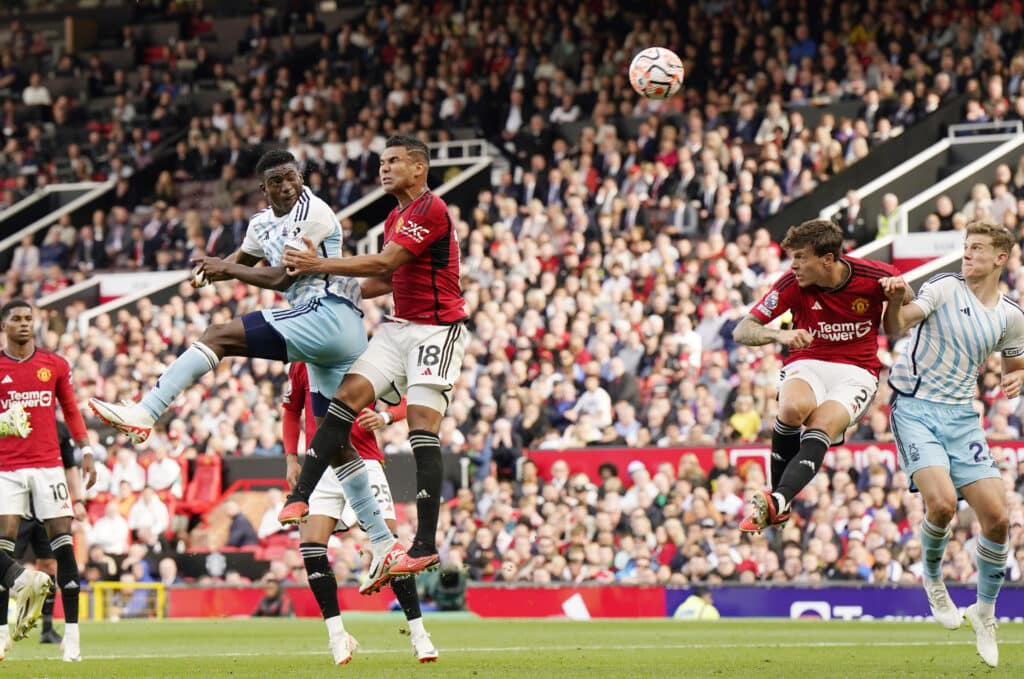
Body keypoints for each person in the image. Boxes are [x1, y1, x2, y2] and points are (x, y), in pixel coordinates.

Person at [87, 150, 405, 585]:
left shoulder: (314, 212)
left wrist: (227, 268)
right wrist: (209, 271)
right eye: (277, 182)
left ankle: (148, 411)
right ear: (263, 188)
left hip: (328, 315)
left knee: (218, 335)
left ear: (301, 178)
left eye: (292, 178)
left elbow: (282, 278)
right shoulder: (261, 225)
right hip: (326, 335)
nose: (287, 187)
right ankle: (384, 544)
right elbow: (241, 262)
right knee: (336, 444)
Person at [280, 135, 469, 593]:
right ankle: (300, 495)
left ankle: (424, 544)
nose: (384, 169)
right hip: (399, 326)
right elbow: (386, 278)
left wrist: (320, 266)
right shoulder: (394, 216)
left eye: (394, 161)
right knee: (345, 397)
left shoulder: (431, 209)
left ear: (419, 168)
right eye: (382, 162)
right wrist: (333, 292)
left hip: (437, 329)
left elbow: (386, 260)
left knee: (421, 425)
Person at [883, 222, 1023, 668]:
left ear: (1000, 258)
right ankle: (932, 579)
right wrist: (894, 300)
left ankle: (984, 611)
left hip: (963, 419)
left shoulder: (1010, 315)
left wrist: (1018, 377)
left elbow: (1015, 365)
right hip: (916, 409)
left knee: (998, 518)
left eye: (977, 248)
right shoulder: (944, 287)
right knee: (942, 504)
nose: (967, 253)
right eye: (965, 247)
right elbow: (897, 324)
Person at [731, 220, 901, 532]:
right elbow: (742, 330)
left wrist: (898, 296)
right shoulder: (791, 283)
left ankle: (779, 501)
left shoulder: (875, 276)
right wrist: (780, 335)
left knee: (821, 425)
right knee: (792, 409)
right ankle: (780, 501)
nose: (793, 265)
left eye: (800, 257)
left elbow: (900, 317)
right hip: (809, 360)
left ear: (827, 259)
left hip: (857, 371)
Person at [283, 362, 437, 665]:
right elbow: (291, 411)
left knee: (391, 548)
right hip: (320, 466)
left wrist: (385, 416)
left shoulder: (365, 357)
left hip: (365, 460)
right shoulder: (301, 361)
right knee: (311, 549)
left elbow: (409, 398)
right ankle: (337, 636)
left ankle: (420, 635)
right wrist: (290, 459)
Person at [0, 300, 97, 662]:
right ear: (4, 326)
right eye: (16, 319)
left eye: (29, 318)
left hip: (48, 467)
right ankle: (3, 627)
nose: (24, 324)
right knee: (3, 546)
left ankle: (71, 636)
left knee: (63, 547)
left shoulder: (54, 364)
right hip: (6, 469)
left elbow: (70, 409)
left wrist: (87, 450)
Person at [10, 422, 87, 645]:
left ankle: (46, 627)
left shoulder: (59, 429)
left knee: (50, 565)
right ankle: (3, 626)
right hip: (18, 507)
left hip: (48, 507)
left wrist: (78, 499)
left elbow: (70, 466)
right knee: (6, 559)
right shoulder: (13, 422)